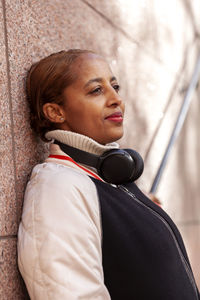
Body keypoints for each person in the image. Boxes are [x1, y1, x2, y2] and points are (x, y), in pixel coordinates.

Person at [18, 49, 199, 300]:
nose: (116, 99)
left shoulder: (107, 181)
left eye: (115, 86)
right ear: (55, 112)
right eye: (96, 90)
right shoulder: (58, 187)